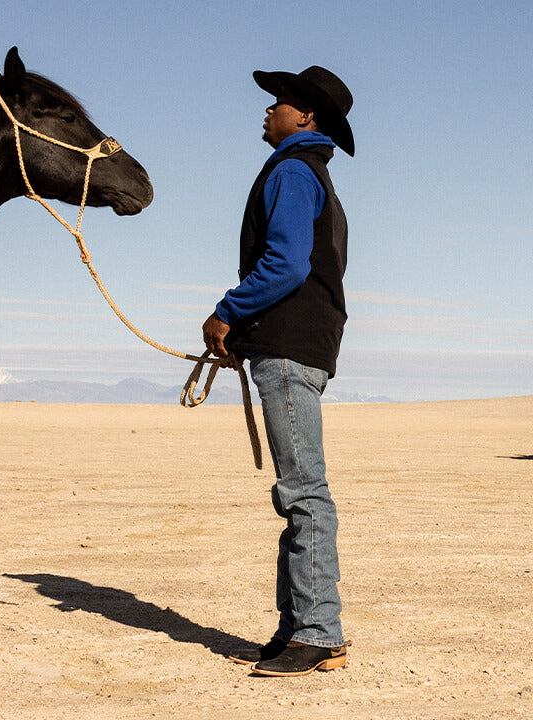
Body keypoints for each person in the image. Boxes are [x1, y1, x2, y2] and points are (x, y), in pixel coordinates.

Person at [200, 65, 355, 678]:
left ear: (306, 117)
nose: (268, 110)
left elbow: (286, 265)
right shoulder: (310, 173)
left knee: (302, 492)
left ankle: (317, 631)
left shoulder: (292, 171)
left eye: (279, 103)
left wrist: (226, 313)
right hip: (296, 344)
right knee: (298, 491)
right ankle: (298, 629)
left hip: (290, 349)